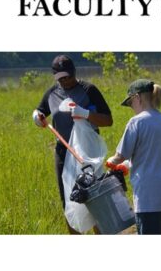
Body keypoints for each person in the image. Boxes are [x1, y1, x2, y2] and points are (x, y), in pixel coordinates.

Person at [32, 54, 113, 233]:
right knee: (70, 200)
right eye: (61, 78)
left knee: (95, 199)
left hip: (87, 154)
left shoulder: (89, 90)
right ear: (55, 77)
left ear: (75, 72)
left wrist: (85, 113)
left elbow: (108, 120)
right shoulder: (52, 93)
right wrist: (37, 117)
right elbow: (41, 111)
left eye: (69, 76)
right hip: (63, 154)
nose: (66, 81)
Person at [106, 79, 161, 235]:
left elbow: (120, 156)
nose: (131, 108)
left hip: (150, 197)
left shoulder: (136, 122)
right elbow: (153, 152)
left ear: (137, 97)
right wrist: (128, 165)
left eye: (130, 103)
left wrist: (109, 162)